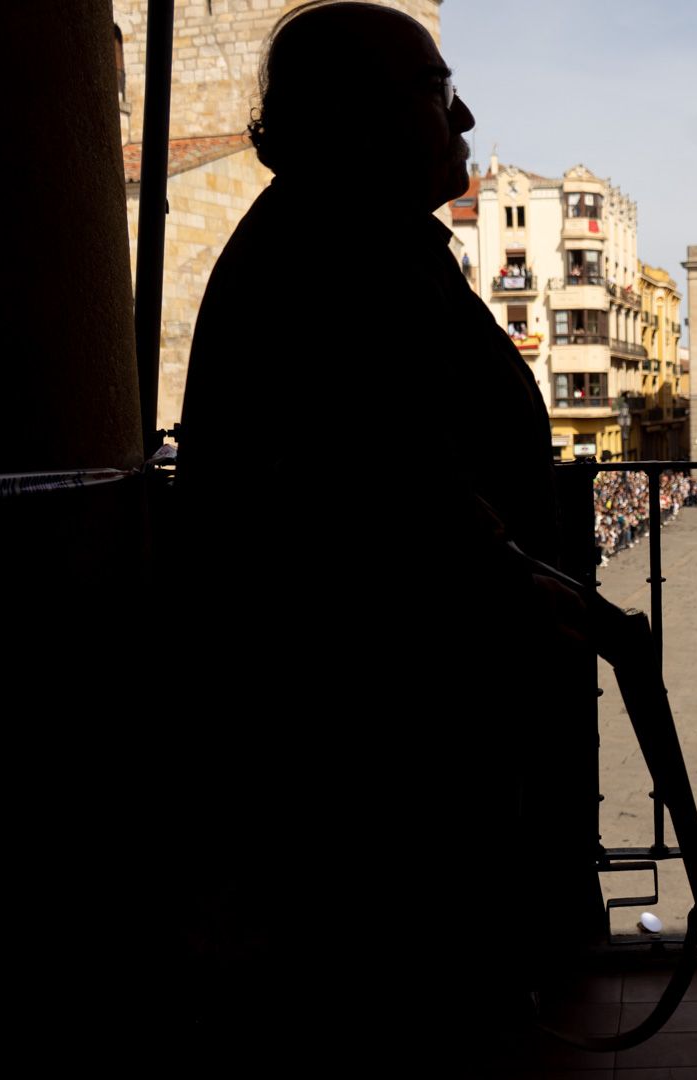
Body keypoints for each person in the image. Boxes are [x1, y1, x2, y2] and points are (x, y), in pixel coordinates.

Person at [174, 1, 588, 1058]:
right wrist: (512, 575)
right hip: (383, 739)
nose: (465, 114)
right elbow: (387, 476)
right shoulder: (336, 251)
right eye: (437, 90)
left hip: (410, 718)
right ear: (358, 114)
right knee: (416, 1004)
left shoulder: (361, 234)